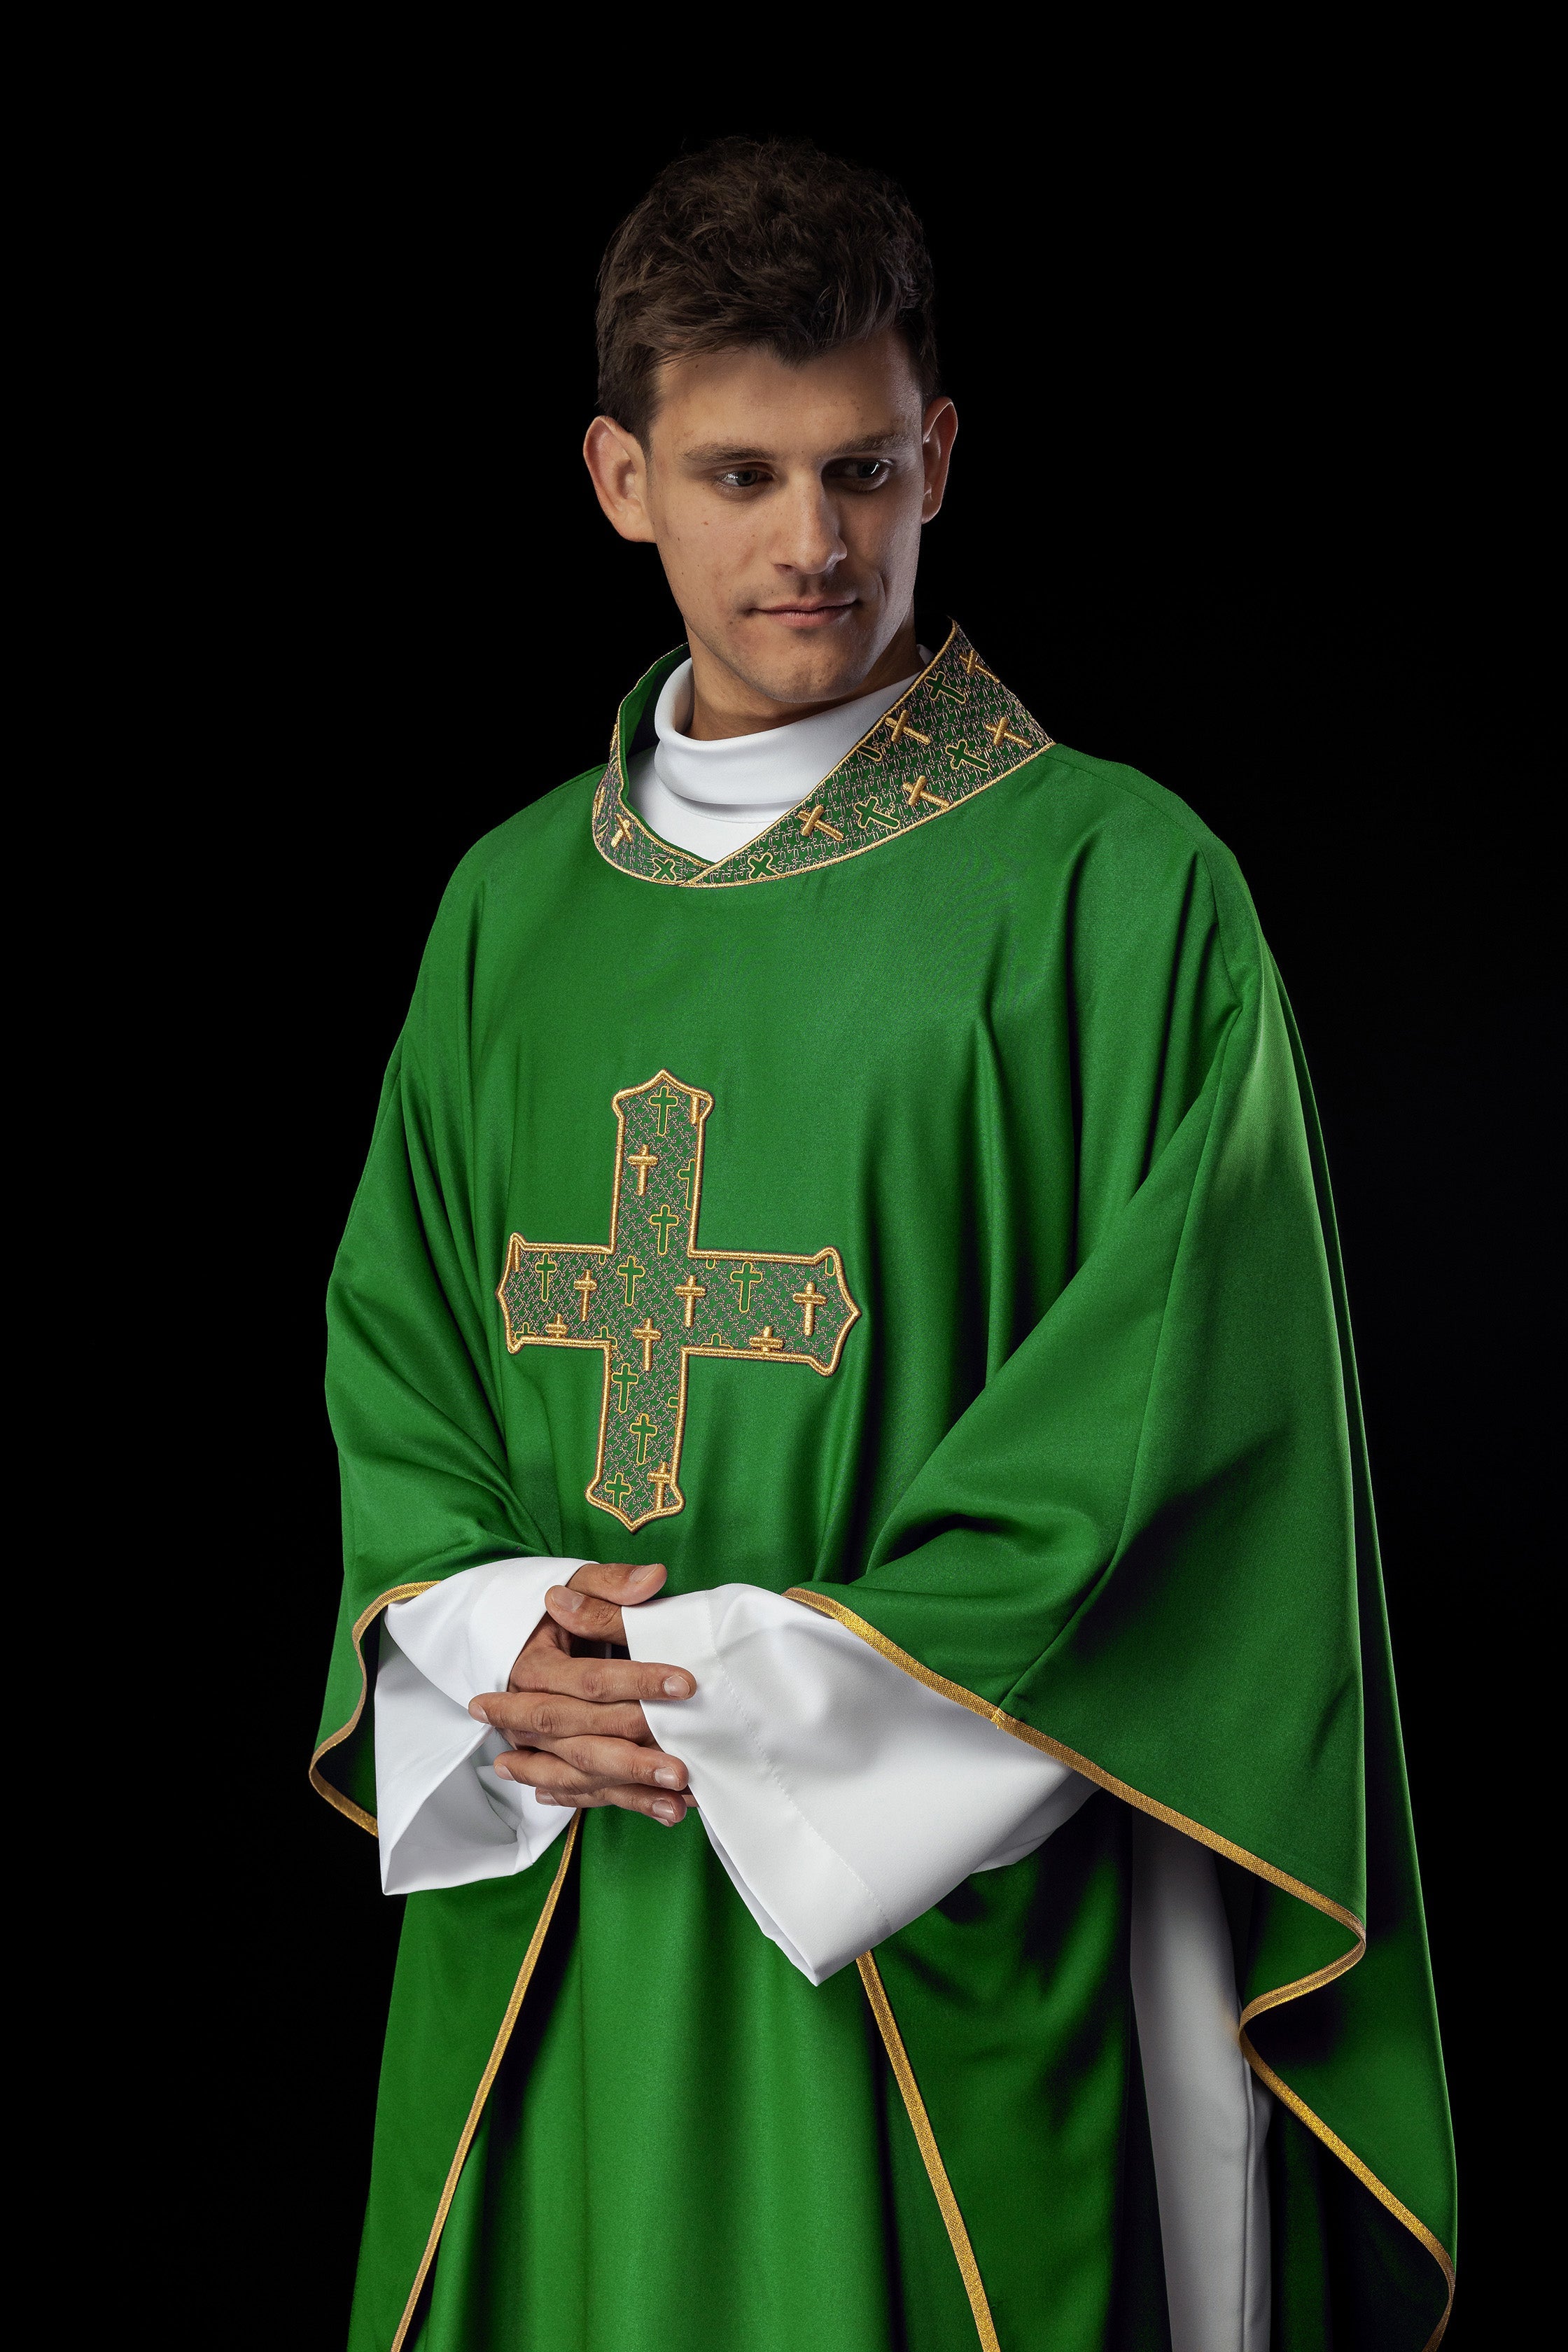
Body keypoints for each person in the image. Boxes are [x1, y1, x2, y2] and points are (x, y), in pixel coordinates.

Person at [313, 137, 1455, 2352]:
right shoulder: (504, 913)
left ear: (942, 454)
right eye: (740, 474)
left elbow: (1179, 1442)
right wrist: (472, 1632)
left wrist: (754, 1694)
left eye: (863, 469)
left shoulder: (1122, 896)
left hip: (925, 1943)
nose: (813, 543)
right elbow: (403, 1349)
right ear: (620, 478)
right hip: (560, 1915)